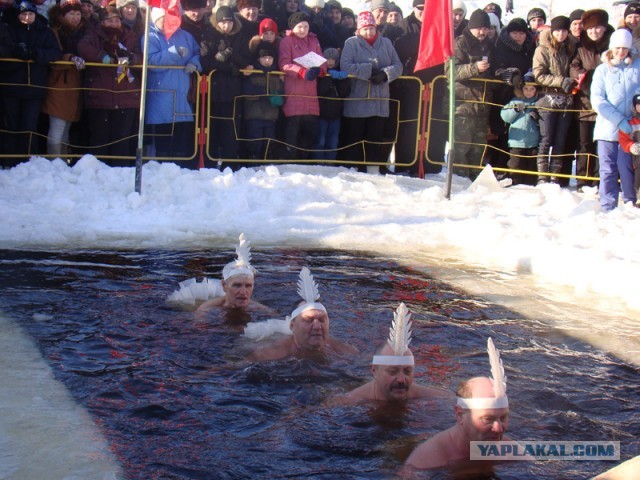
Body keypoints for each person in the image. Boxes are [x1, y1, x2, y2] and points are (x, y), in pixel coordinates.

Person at [402, 338, 510, 473]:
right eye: (488, 419)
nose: (499, 429)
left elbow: (542, 456)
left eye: (503, 418)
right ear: (460, 415)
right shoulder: (424, 462)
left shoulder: (507, 448)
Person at [327, 303, 452, 405]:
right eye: (393, 371)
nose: (401, 379)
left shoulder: (436, 397)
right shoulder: (350, 401)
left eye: (407, 371)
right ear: (374, 371)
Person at [246, 266, 358, 362]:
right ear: (292, 326)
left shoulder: (345, 350)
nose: (317, 326)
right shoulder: (270, 354)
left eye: (322, 320)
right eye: (309, 320)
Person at [77, 5, 142, 165]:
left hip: (126, 94)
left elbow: (141, 55)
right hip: (101, 95)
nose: (114, 24)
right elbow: (83, 48)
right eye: (110, 21)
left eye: (117, 20)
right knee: (100, 138)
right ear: (102, 22)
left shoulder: (130, 35)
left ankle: (120, 173)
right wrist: (103, 58)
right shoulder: (93, 34)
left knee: (122, 138)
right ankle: (99, 172)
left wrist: (131, 59)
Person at [340, 10, 402, 174]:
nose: (369, 32)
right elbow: (345, 66)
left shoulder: (386, 43)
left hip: (379, 99)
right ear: (359, 30)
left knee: (375, 137)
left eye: (371, 28)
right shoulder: (351, 43)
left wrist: (384, 74)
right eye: (365, 29)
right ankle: (353, 168)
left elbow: (398, 66)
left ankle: (373, 169)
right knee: (355, 136)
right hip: (358, 97)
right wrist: (367, 71)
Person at [2, 1, 61, 164]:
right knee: (12, 125)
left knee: (29, 125)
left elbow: (55, 53)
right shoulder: (9, 29)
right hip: (11, 86)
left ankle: (28, 160)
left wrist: (35, 54)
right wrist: (16, 53)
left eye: (30, 14)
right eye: (23, 14)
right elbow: (4, 49)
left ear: (35, 14)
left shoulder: (44, 31)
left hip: (34, 87)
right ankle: (10, 159)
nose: (27, 17)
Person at [144, 6, 201, 165]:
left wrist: (194, 64)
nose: (171, 21)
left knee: (181, 138)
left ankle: (181, 169)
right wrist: (173, 53)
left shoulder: (186, 36)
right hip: (161, 97)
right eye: (166, 18)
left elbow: (198, 53)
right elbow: (150, 61)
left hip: (182, 97)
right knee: (164, 139)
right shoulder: (150, 36)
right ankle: (163, 168)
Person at [591, 28, 640, 211]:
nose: (621, 52)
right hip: (608, 127)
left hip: (632, 128)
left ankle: (630, 200)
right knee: (608, 168)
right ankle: (608, 204)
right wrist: (618, 120)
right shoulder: (602, 70)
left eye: (625, 48)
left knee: (628, 167)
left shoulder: (637, 67)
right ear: (612, 48)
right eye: (618, 48)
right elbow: (598, 99)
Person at [446, 8, 495, 180]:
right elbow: (450, 71)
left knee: (478, 148)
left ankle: (475, 179)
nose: (482, 32)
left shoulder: (489, 44)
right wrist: (474, 68)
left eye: (485, 28)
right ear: (472, 27)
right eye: (479, 28)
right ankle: (458, 180)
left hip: (482, 104)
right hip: (463, 103)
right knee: (461, 147)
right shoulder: (460, 43)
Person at [172, 233, 276, 315]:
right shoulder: (206, 310)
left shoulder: (264, 311)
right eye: (237, 285)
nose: (243, 292)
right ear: (224, 286)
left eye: (248, 286)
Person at [200, 5, 251, 166]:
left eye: (229, 22)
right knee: (212, 129)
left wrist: (229, 54)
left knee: (231, 131)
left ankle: (230, 164)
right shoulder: (209, 36)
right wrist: (229, 67)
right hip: (213, 91)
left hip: (233, 92)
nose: (226, 26)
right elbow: (206, 62)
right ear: (217, 22)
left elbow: (246, 61)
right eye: (223, 22)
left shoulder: (241, 37)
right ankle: (210, 163)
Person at [570, 9, 614, 191]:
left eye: (598, 28)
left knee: (602, 144)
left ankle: (599, 178)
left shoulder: (613, 46)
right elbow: (574, 67)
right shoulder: (581, 48)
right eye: (590, 29)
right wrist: (586, 80)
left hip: (608, 105)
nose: (594, 32)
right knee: (584, 143)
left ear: (604, 28)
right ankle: (582, 179)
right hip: (585, 104)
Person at [532, 15, 577, 185]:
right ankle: (542, 176)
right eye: (557, 30)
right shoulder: (542, 49)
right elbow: (538, 75)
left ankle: (555, 175)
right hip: (547, 99)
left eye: (564, 30)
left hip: (566, 100)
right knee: (546, 138)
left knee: (560, 140)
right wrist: (560, 80)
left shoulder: (571, 48)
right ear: (552, 31)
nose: (561, 34)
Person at [42, 0, 87, 159]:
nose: (75, 17)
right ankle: (54, 159)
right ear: (63, 15)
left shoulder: (83, 32)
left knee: (67, 125)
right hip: (60, 81)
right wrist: (70, 58)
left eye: (78, 13)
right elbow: (53, 55)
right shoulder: (55, 31)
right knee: (57, 124)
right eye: (71, 14)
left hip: (76, 83)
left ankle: (63, 159)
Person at [278, 11, 325, 159]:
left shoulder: (314, 40)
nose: (303, 30)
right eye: (300, 27)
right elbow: (284, 64)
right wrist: (302, 72)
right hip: (294, 89)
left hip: (311, 92)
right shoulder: (287, 41)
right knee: (293, 128)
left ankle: (305, 158)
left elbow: (322, 61)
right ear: (293, 28)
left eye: (305, 26)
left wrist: (320, 70)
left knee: (310, 130)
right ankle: (290, 158)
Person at [241, 41, 283, 160]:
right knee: (255, 141)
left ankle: (267, 161)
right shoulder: (253, 72)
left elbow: (280, 91)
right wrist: (265, 93)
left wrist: (279, 97)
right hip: (254, 114)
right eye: (264, 57)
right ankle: (253, 161)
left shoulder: (276, 74)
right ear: (258, 58)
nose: (267, 60)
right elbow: (247, 90)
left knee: (269, 141)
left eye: (270, 58)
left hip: (271, 115)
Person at [500, 82, 540, 185]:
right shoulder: (515, 101)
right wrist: (515, 110)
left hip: (533, 142)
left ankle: (531, 187)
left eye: (532, 89)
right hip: (516, 141)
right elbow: (505, 117)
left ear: (536, 90)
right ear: (521, 89)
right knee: (516, 166)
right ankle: (515, 185)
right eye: (526, 89)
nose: (528, 92)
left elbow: (545, 122)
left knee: (531, 169)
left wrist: (537, 118)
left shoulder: (539, 102)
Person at [313, 47, 349, 161]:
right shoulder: (320, 74)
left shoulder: (340, 74)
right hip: (321, 113)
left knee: (333, 141)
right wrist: (327, 77)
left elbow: (344, 92)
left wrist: (342, 79)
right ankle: (318, 162)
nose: (330, 62)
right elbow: (320, 91)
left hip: (336, 114)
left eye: (333, 59)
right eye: (327, 59)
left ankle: (330, 162)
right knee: (320, 140)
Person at [617, 93, 640, 202]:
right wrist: (631, 146)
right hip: (636, 157)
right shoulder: (630, 122)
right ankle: (634, 197)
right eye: (638, 104)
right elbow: (623, 138)